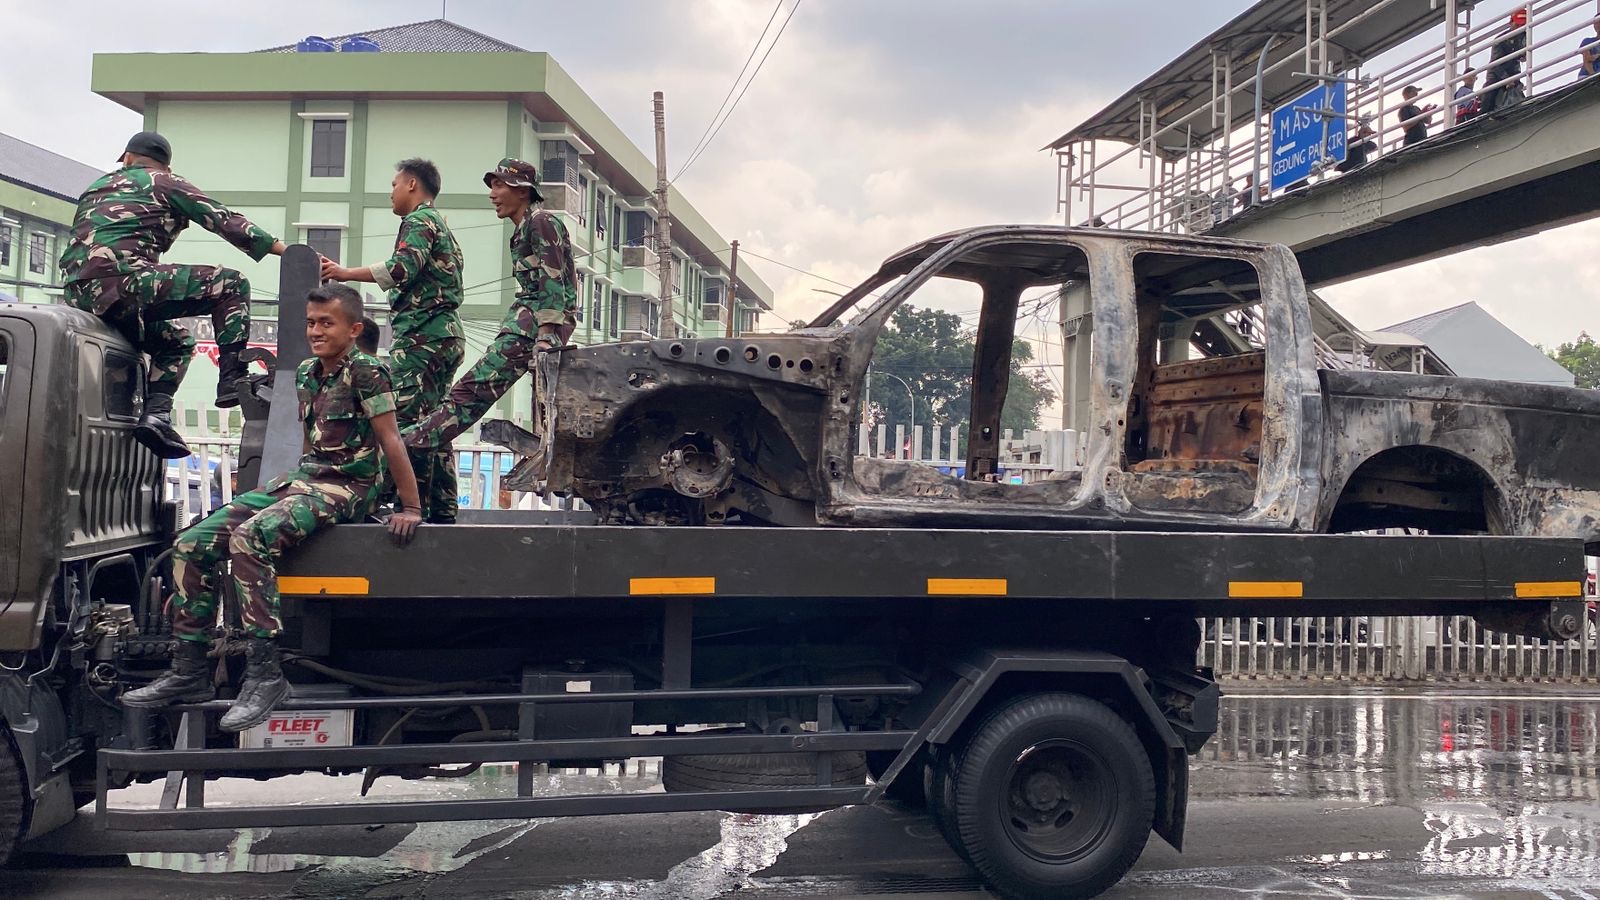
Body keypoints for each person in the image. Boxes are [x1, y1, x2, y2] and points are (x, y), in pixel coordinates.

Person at [121, 284, 422, 731]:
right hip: (308, 478)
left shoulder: (367, 372)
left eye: (327, 323)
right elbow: (310, 440)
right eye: (311, 323)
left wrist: (410, 508)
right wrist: (297, 485)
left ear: (354, 328)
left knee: (250, 538)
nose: (316, 331)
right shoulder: (305, 373)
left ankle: (265, 673)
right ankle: (189, 671)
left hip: (350, 487)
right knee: (192, 542)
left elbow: (391, 439)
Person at [59, 131, 287, 459]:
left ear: (126, 158)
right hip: (126, 282)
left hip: (80, 293)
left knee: (176, 342)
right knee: (233, 285)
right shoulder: (165, 182)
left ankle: (157, 416)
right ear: (166, 165)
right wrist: (286, 251)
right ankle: (231, 377)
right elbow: (223, 220)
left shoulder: (94, 188)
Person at [403, 158, 577, 463]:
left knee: (471, 392)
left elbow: (554, 279)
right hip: (525, 324)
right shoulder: (523, 230)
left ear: (522, 191)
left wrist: (547, 336)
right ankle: (415, 446)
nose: (492, 194)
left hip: (533, 329)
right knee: (466, 394)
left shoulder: (542, 222)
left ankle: (404, 446)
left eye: (499, 185)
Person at [321, 159, 465, 524]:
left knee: (399, 421)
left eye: (394, 184)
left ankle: (404, 507)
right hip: (443, 335)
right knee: (434, 424)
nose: (391, 192)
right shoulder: (440, 225)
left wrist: (344, 273)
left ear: (412, 184)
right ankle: (442, 510)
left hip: (423, 337)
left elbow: (402, 267)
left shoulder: (418, 221)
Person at [1483, 8, 1530, 114]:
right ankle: (1480, 120)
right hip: (1497, 74)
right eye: (1517, 24)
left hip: (1513, 72)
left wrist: (1524, 55)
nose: (1519, 27)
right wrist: (1506, 79)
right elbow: (1496, 64)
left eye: (1522, 25)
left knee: (1517, 95)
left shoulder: (1524, 35)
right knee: (1490, 94)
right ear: (1511, 23)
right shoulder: (1500, 40)